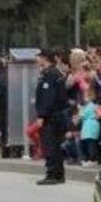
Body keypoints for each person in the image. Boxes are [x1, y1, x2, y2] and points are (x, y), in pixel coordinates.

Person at [34, 48, 69, 184]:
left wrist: (42, 115)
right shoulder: (54, 72)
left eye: (38, 57)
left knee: (50, 145)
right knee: (55, 145)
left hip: (51, 116)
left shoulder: (49, 74)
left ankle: (53, 174)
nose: (36, 59)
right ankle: (58, 174)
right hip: (55, 115)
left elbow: (49, 97)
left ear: (44, 58)